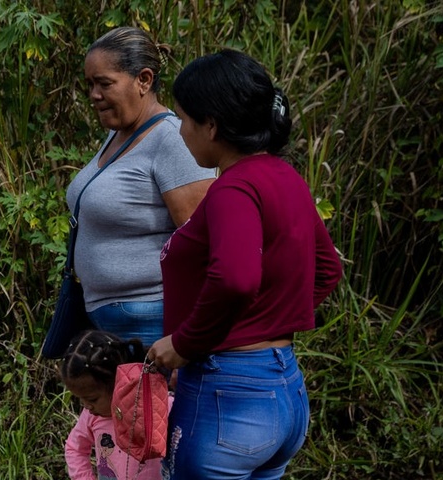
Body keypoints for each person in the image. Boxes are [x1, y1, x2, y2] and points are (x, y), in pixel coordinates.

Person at [147, 50, 344, 479]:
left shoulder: (233, 189)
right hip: (284, 389)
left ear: (212, 125)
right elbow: (327, 267)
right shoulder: (285, 177)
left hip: (229, 394)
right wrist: (264, 322)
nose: (180, 131)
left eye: (184, 119)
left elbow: (235, 279)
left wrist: (185, 343)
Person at [67, 26, 216, 348]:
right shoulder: (119, 135)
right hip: (110, 321)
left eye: (104, 84)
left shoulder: (172, 139)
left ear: (144, 80)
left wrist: (186, 340)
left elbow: (200, 245)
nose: (93, 94)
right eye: (90, 84)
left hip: (151, 323)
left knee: (147, 402)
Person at [62, 330, 169, 480]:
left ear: (118, 383)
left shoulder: (158, 407)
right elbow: (75, 448)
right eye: (81, 399)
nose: (87, 406)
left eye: (92, 399)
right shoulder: (90, 417)